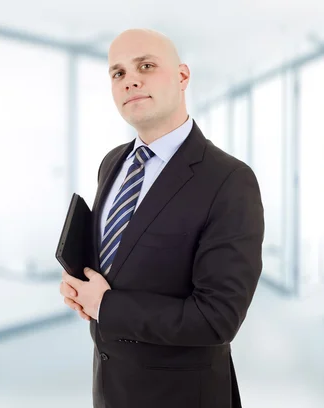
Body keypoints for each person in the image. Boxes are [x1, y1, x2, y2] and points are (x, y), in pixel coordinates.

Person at [59, 28, 264, 408]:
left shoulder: (230, 180)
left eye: (146, 66)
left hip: (183, 396)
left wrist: (106, 306)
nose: (130, 79)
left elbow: (218, 318)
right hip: (110, 390)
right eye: (117, 73)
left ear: (183, 77)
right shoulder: (112, 162)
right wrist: (80, 284)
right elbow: (120, 261)